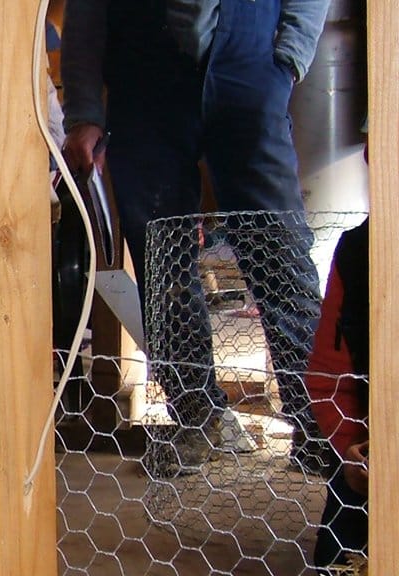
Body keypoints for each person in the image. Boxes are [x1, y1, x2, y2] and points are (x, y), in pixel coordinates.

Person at [61, 0, 333, 475]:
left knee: (280, 250)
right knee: (161, 259)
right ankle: (198, 418)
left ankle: (320, 426)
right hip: (145, 81)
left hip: (249, 70)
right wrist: (84, 109)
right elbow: (86, 11)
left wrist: (289, 58)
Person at [306, 217, 368, 570]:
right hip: (371, 445)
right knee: (337, 560)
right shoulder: (357, 252)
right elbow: (328, 376)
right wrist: (351, 450)